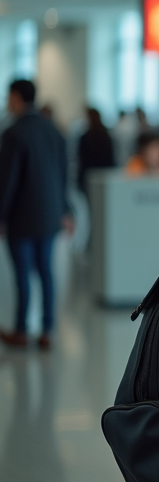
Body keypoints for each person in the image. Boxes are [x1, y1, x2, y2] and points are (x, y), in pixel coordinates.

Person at [0, 80, 73, 349]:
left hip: (21, 216)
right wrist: (65, 209)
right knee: (46, 272)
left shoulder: (13, 133)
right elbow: (63, 174)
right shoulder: (53, 129)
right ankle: (47, 330)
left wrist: (2, 215)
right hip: (49, 215)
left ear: (17, 97)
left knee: (22, 274)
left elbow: (7, 180)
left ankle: (21, 329)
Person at [77, 107, 116, 196]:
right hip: (105, 175)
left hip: (90, 177)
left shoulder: (85, 138)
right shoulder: (106, 135)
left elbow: (82, 160)